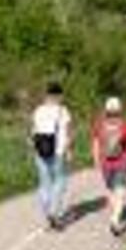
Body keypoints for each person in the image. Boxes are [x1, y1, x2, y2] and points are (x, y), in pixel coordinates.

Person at [91, 96, 126, 236]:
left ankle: (115, 215)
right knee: (120, 191)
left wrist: (96, 160)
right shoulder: (125, 125)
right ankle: (115, 219)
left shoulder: (100, 125)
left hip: (106, 164)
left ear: (106, 110)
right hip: (122, 162)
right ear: (120, 110)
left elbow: (96, 143)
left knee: (111, 191)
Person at [30, 82, 73, 231]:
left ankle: (47, 213)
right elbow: (68, 133)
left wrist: (33, 149)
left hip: (40, 151)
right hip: (58, 151)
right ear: (58, 95)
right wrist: (69, 151)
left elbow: (33, 132)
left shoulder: (38, 110)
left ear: (47, 95)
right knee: (60, 180)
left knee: (44, 183)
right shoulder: (63, 111)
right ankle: (54, 212)